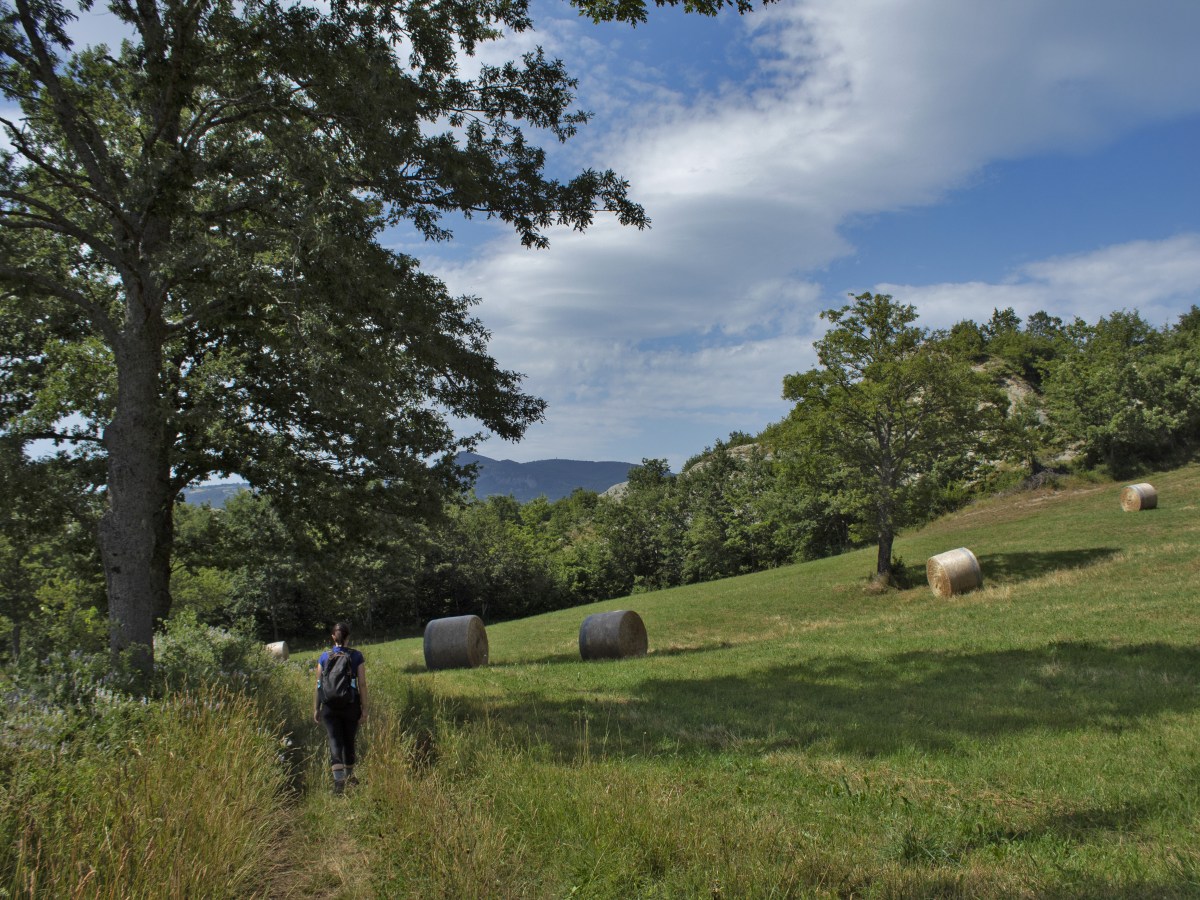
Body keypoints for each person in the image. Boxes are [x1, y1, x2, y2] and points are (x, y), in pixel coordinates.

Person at [314, 622, 368, 794]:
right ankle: (350, 777)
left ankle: (339, 782)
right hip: (350, 704)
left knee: (334, 741)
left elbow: (318, 684)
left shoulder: (324, 657)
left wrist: (317, 708)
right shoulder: (356, 656)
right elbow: (362, 684)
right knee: (348, 741)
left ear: (333, 637)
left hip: (329, 706)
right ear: (348, 637)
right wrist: (364, 708)